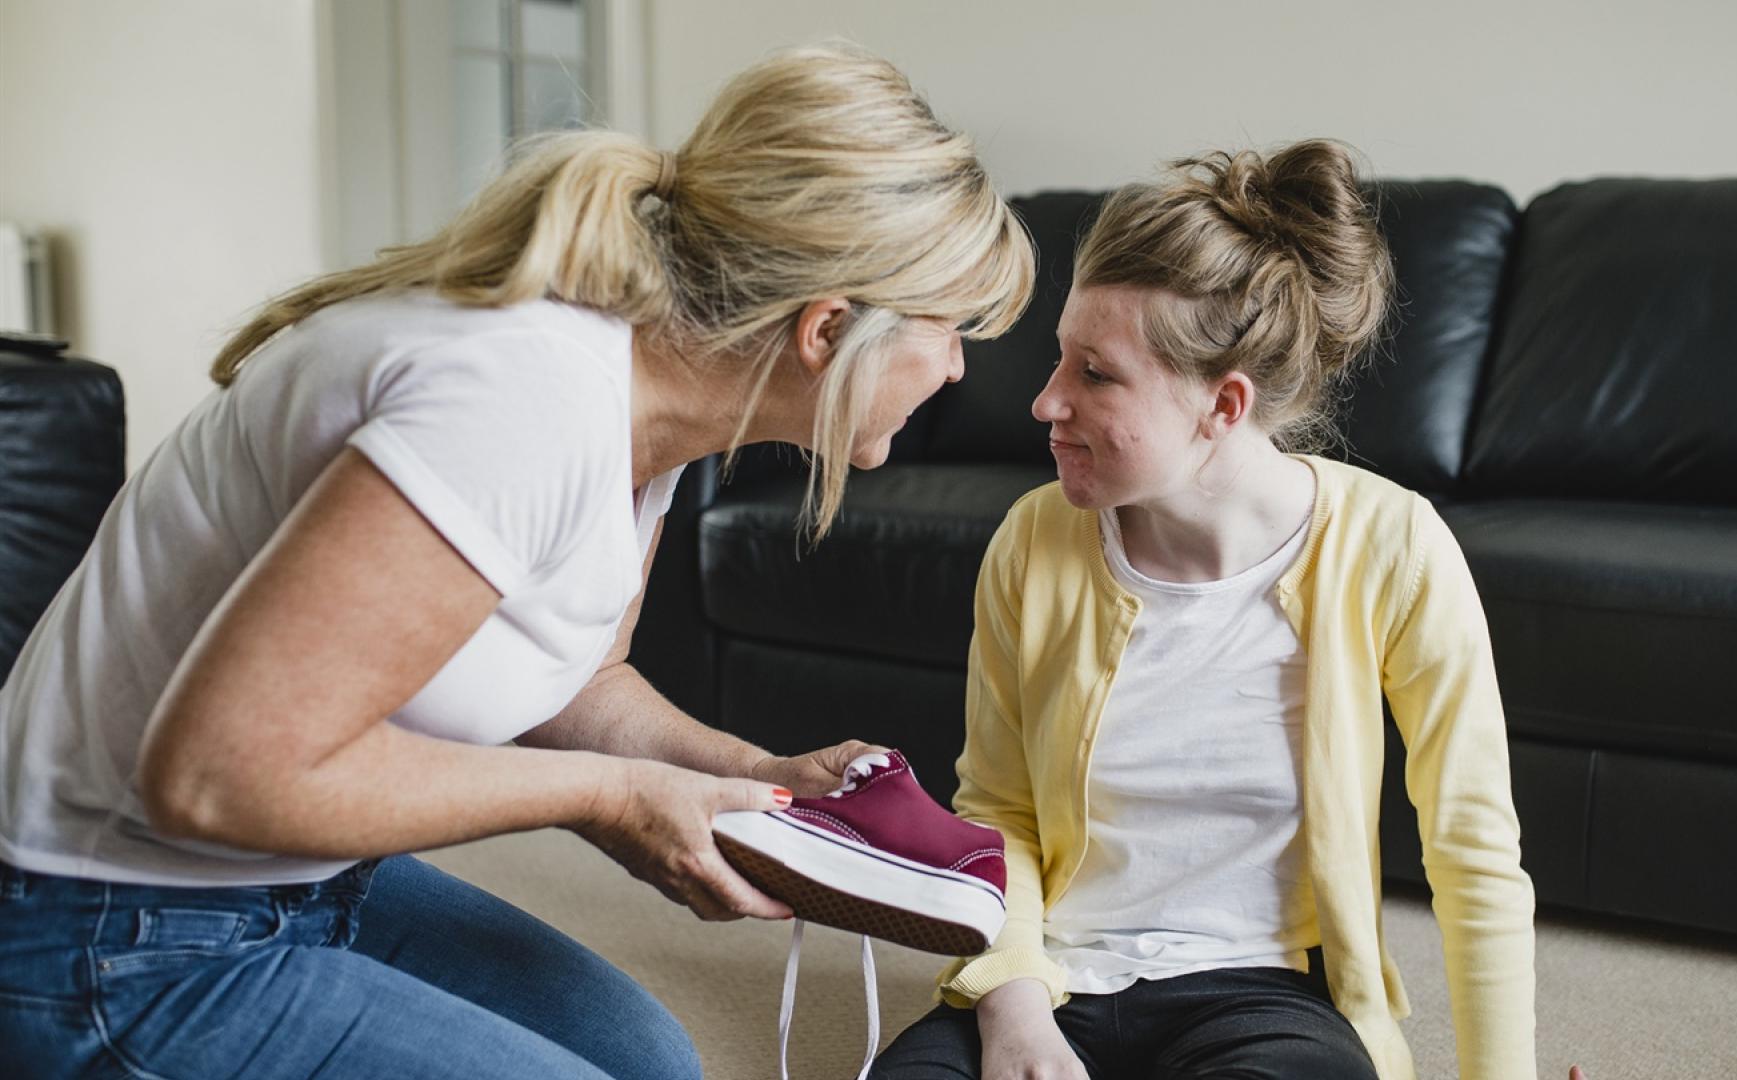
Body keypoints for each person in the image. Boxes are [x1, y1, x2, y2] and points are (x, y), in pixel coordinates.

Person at [0, 43, 1031, 1080]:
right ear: (826, 330)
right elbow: (218, 778)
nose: (956, 369)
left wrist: (742, 773)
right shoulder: (521, 399)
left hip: (305, 882)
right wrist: (607, 798)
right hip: (104, 926)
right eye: (954, 329)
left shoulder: (648, 407)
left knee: (650, 1062)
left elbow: (572, 678)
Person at [871, 141, 1538, 1080]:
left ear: (1223, 405)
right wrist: (1012, 1010)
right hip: (1052, 976)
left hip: (1265, 993)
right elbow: (998, 814)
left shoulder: (1394, 547)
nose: (1045, 400)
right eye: (1059, 358)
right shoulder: (1033, 542)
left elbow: (1473, 851)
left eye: (1095, 375)